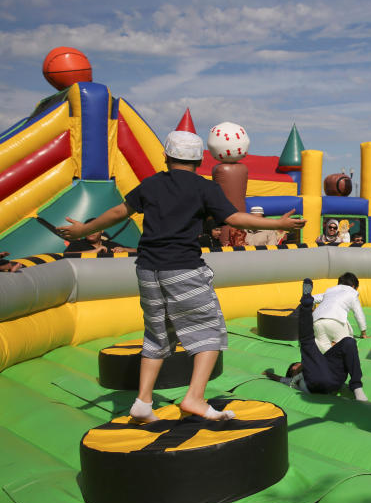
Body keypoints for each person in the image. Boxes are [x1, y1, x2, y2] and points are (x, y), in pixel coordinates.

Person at [57, 130, 305, 422]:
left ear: (165, 157)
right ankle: (194, 398)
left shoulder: (150, 185)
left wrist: (82, 231)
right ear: (199, 160)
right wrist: (279, 223)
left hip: (148, 269)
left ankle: (143, 401)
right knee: (210, 331)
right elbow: (234, 218)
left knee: (157, 335)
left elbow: (117, 212)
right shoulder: (205, 188)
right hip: (183, 268)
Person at [263, 277, 367, 401]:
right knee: (306, 341)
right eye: (294, 368)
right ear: (293, 374)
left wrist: (337, 349)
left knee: (349, 342)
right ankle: (306, 305)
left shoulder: (331, 291)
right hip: (315, 381)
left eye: (296, 364)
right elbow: (279, 378)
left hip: (335, 377)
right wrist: (269, 374)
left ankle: (357, 388)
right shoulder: (294, 380)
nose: (297, 365)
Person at [64, 219, 135, 254]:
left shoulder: (110, 245)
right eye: (88, 230)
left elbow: (138, 251)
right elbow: (66, 255)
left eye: (94, 229)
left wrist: (125, 250)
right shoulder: (77, 244)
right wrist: (94, 251)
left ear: (102, 231)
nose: (91, 232)